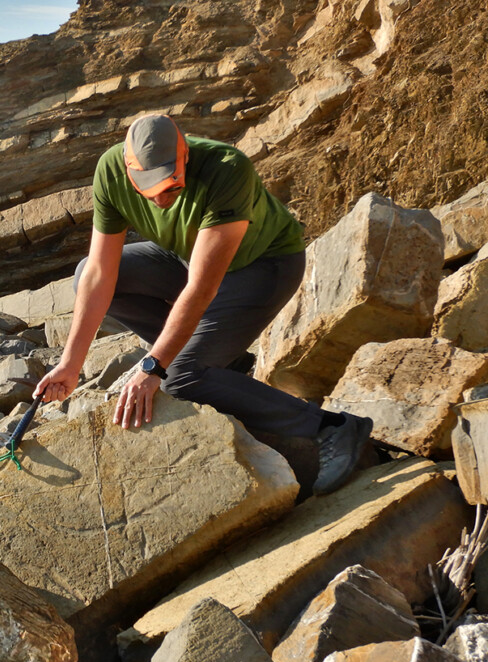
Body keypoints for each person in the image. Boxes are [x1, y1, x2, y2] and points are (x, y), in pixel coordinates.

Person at [33, 114, 372, 496]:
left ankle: (332, 428)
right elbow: (99, 275)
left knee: (179, 378)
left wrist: (153, 366)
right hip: (185, 256)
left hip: (260, 266)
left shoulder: (227, 169)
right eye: (148, 189)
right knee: (84, 275)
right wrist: (70, 364)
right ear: (128, 167)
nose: (160, 199)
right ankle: (224, 363)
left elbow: (201, 288)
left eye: (170, 186)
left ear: (185, 155)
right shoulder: (110, 171)